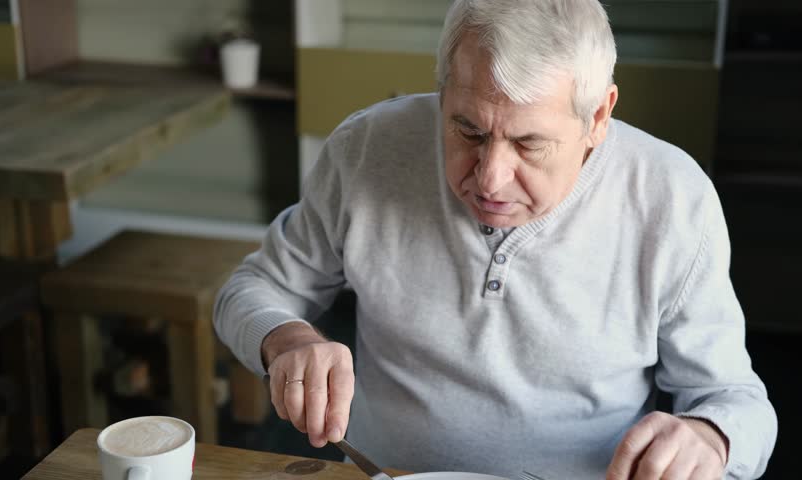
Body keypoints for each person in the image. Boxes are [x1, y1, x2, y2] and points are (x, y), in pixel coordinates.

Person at [214, 0, 777, 478]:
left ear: (599, 117)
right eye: (468, 130)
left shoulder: (673, 199)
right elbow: (252, 289)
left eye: (530, 144)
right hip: (381, 471)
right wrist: (286, 339)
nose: (489, 178)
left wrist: (710, 436)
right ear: (442, 90)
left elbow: (739, 403)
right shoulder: (367, 148)